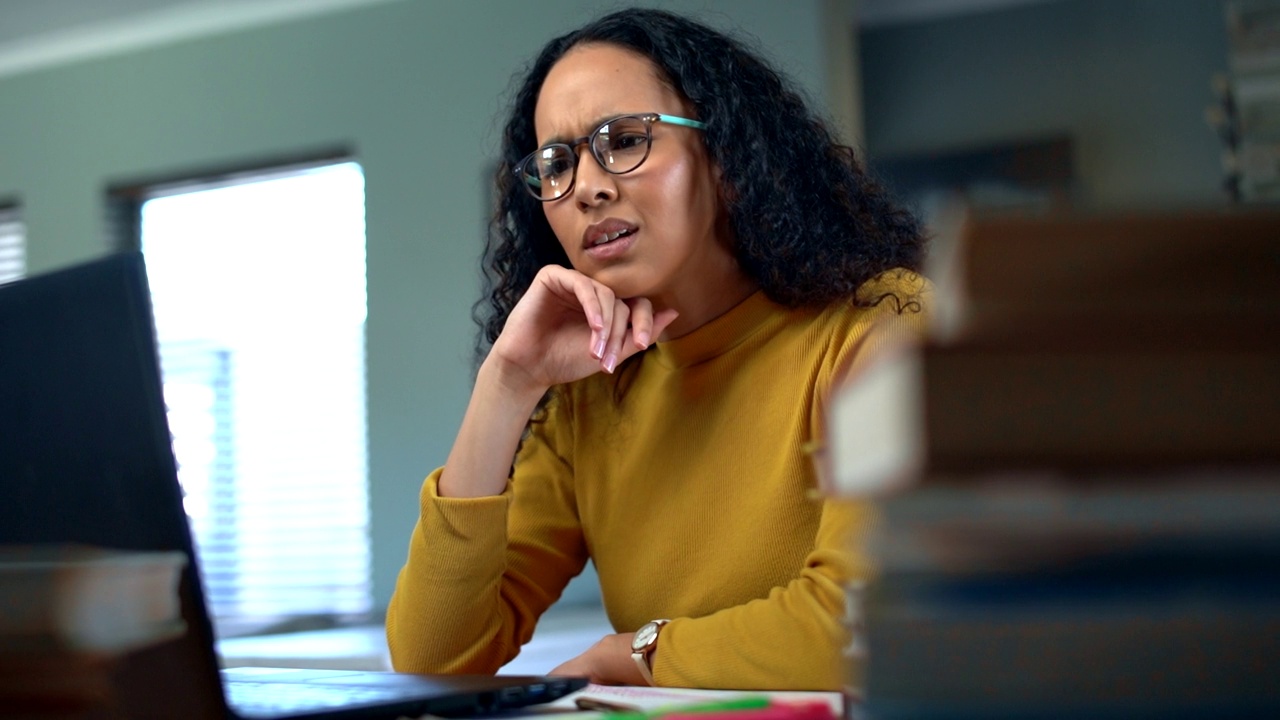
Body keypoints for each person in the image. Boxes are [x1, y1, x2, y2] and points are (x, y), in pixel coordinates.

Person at [386, 7, 928, 691]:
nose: (588, 186)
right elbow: (432, 658)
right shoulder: (588, 396)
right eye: (557, 163)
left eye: (623, 140)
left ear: (728, 159)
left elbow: (867, 627)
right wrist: (508, 383)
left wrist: (632, 656)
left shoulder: (880, 326)